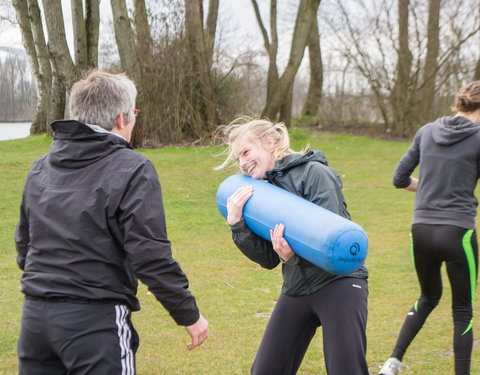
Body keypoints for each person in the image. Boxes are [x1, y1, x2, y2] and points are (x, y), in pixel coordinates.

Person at [15, 70, 208, 375]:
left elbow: (25, 247)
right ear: (122, 119)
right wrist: (190, 315)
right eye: (134, 114)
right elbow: (150, 255)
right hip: (94, 319)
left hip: (36, 319)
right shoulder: (133, 168)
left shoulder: (40, 167)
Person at [216, 118, 369, 375]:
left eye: (246, 152)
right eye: (237, 158)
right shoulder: (265, 192)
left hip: (339, 284)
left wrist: (292, 258)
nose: (242, 163)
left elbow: (331, 241)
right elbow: (267, 259)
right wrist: (237, 224)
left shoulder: (315, 173)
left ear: (269, 143)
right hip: (297, 288)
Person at [379, 81, 480, 375]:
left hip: (420, 231)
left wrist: (430, 189)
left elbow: (399, 178)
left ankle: (392, 363)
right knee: (462, 310)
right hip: (458, 233)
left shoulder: (426, 131)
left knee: (427, 297)